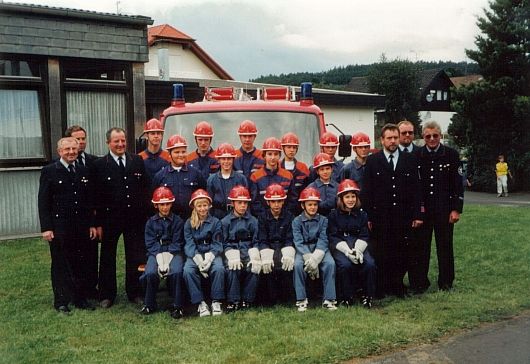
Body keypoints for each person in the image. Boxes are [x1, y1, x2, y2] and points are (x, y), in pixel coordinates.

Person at [361, 123, 423, 298]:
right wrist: (368, 216)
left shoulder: (409, 160)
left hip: (403, 215)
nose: (393, 141)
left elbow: (416, 189)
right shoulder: (373, 161)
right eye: (389, 138)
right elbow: (367, 191)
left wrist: (418, 214)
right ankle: (381, 287)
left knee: (402, 252)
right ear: (382, 140)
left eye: (396, 137)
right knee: (381, 251)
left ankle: (397, 286)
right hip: (381, 216)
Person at [38, 137, 97, 313]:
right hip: (59, 226)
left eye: (74, 148)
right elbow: (43, 201)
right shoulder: (49, 171)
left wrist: (92, 225)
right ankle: (61, 300)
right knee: (60, 264)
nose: (71, 152)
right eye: (67, 149)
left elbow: (88, 201)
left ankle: (80, 298)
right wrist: (46, 228)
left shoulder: (83, 170)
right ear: (59, 152)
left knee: (81, 262)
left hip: (80, 225)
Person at [93, 127, 150, 308]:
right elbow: (96, 198)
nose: (120, 144)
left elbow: (145, 189)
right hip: (110, 220)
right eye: (116, 141)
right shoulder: (100, 165)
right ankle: (106, 295)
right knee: (108, 257)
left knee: (135, 256)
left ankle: (135, 292)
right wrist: (98, 224)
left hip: (134, 219)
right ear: (108, 142)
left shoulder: (137, 160)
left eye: (123, 140)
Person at [416, 121, 464, 291]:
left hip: (444, 210)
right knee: (422, 248)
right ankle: (420, 283)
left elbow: (458, 184)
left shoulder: (451, 155)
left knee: (445, 246)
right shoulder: (418, 155)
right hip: (424, 211)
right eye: (428, 136)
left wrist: (456, 209)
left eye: (435, 135)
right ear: (423, 137)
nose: (432, 139)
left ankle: (446, 282)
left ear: (440, 135)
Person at [328, 179, 376, 308]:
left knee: (369, 264)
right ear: (341, 199)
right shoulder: (333, 215)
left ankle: (367, 295)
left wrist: (358, 250)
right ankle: (346, 297)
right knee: (345, 265)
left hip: (359, 244)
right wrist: (347, 251)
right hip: (341, 246)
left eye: (353, 196)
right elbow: (333, 237)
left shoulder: (362, 214)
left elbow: (364, 235)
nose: (351, 200)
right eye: (347, 197)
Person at [64, 125, 99, 299]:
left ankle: (91, 289)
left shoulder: (95, 161)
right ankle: (73, 290)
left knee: (91, 256)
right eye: (77, 139)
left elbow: (98, 193)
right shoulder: (61, 164)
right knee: (72, 257)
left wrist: (95, 221)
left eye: (83, 138)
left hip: (89, 217)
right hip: (70, 220)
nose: (81, 142)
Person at [139, 187, 185, 319]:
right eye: (162, 204)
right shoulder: (150, 223)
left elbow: (177, 242)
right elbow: (150, 243)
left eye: (167, 204)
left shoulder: (178, 221)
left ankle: (178, 306)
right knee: (150, 272)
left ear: (171, 204)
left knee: (176, 271)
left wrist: (168, 257)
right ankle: (149, 303)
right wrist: (160, 259)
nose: (165, 207)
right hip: (156, 253)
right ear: (156, 205)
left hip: (173, 252)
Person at [292, 187, 337, 312]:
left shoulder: (324, 220)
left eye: (315, 204)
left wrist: (316, 258)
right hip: (303, 250)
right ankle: (301, 299)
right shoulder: (296, 221)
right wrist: (308, 258)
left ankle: (329, 299)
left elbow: (323, 239)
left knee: (330, 263)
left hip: (320, 249)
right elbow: (298, 241)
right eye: (309, 204)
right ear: (303, 205)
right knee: (297, 265)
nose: (312, 207)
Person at [183, 189, 225, 317]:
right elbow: (189, 244)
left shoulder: (216, 222)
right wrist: (198, 261)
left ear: (209, 206)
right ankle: (200, 302)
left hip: (211, 253)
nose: (202, 209)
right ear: (194, 207)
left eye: (205, 205)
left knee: (219, 268)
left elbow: (217, 243)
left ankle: (216, 301)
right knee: (188, 270)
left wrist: (209, 259)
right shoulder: (188, 223)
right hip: (195, 254)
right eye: (199, 206)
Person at [221, 185, 260, 312]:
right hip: (232, 251)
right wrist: (230, 253)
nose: (243, 205)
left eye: (245, 203)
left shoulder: (253, 221)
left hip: (248, 250)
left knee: (253, 267)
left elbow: (256, 241)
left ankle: (247, 300)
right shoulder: (225, 222)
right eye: (239, 203)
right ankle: (233, 300)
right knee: (232, 268)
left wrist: (255, 255)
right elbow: (224, 242)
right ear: (232, 203)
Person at [256, 184, 296, 305]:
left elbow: (290, 238)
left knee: (286, 264)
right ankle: (270, 300)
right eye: (273, 201)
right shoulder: (262, 218)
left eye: (279, 201)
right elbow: (262, 239)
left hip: (284, 247)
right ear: (268, 202)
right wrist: (265, 254)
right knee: (268, 266)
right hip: (269, 247)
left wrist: (288, 253)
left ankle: (287, 298)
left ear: (283, 201)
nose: (276, 205)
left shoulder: (289, 217)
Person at [152, 134, 206, 220]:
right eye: (177, 152)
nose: (181, 155)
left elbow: (203, 196)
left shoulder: (196, 174)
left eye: (183, 152)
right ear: (169, 154)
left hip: (191, 221)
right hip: (169, 223)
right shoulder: (160, 176)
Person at [249, 137, 297, 216]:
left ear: (279, 156)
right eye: (269, 154)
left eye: (276, 154)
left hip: (284, 220)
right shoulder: (255, 177)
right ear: (264, 156)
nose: (273, 157)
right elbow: (255, 202)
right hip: (263, 221)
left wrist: (282, 216)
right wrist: (266, 217)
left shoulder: (288, 176)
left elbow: (292, 200)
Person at [207, 143, 248, 219]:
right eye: (223, 158)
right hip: (217, 216)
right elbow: (209, 203)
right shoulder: (212, 180)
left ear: (233, 159)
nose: (226, 161)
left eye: (229, 158)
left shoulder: (241, 179)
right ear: (219, 160)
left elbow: (246, 202)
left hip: (236, 215)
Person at [280, 132, 310, 200]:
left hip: (299, 207)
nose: (291, 150)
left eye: (294, 147)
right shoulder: (277, 167)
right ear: (283, 148)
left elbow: (308, 189)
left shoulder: (303, 168)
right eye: (289, 147)